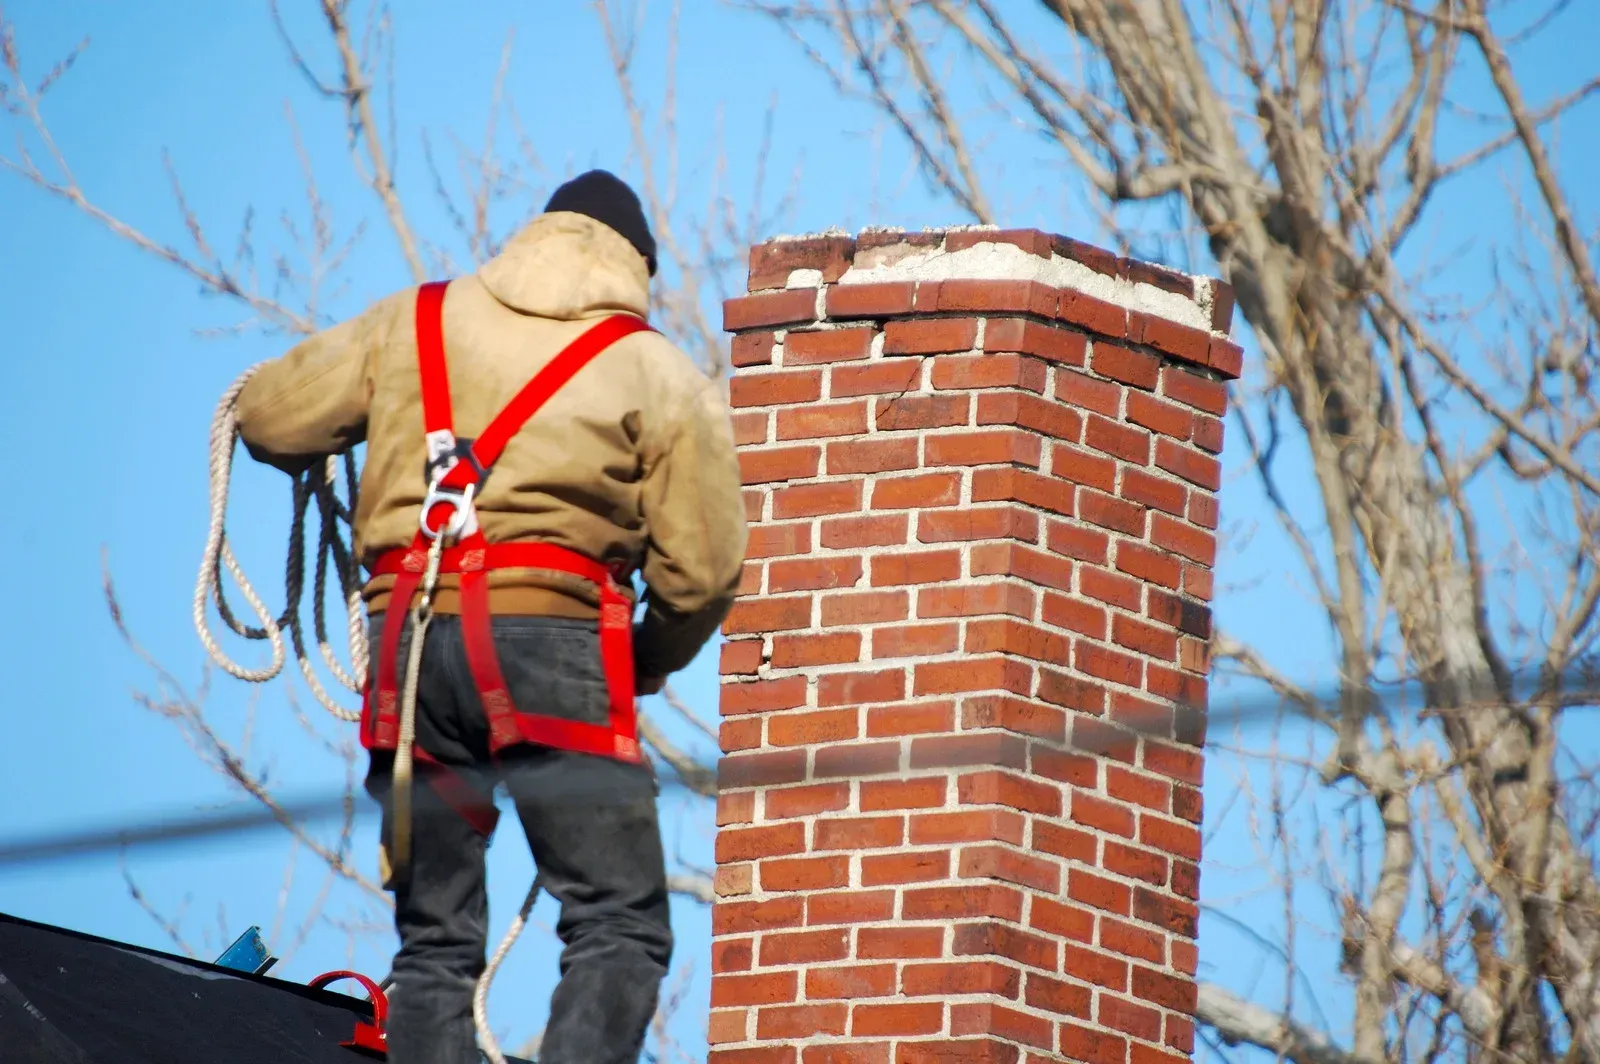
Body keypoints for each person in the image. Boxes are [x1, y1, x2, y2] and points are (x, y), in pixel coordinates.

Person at [231, 170, 749, 1064]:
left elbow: (270, 418)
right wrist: (648, 655)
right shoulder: (654, 368)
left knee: (434, 942)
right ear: (636, 268)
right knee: (617, 921)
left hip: (410, 646)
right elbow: (702, 574)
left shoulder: (413, 321)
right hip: (553, 646)